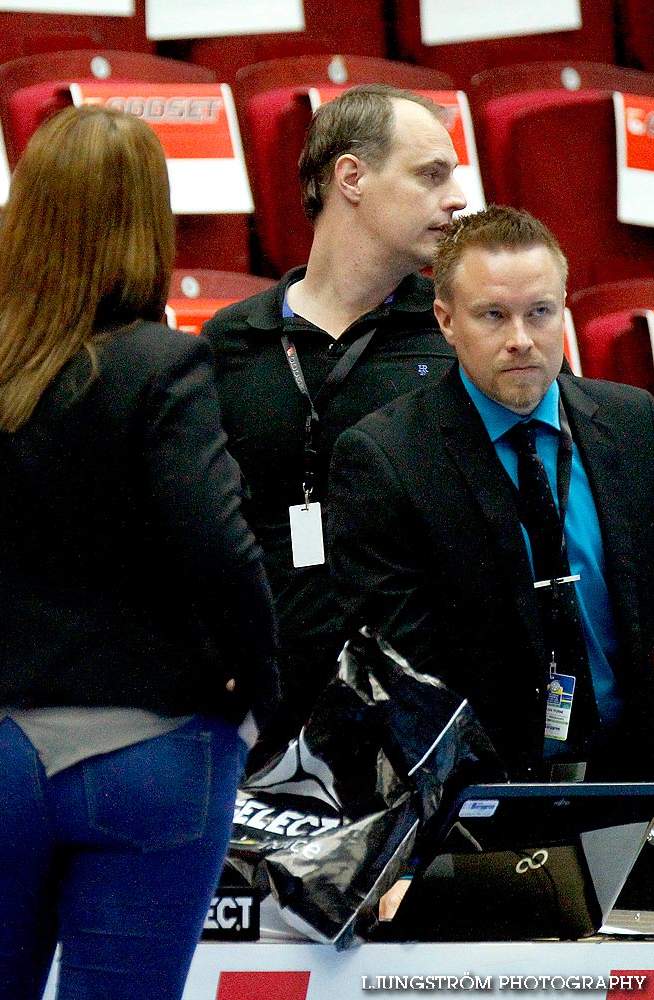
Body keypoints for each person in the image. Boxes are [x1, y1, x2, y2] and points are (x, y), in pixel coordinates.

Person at [0, 104, 279, 1000]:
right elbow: (224, 557)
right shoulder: (162, 365)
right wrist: (254, 698)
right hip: (156, 760)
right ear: (148, 223)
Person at [328, 206, 654, 785]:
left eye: (540, 313)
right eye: (493, 317)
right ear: (446, 321)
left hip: (631, 767)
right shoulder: (385, 459)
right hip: (484, 791)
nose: (521, 340)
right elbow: (407, 674)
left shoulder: (634, 424)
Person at [202, 84, 467, 752]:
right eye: (431, 175)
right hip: (259, 718)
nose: (457, 197)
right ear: (352, 177)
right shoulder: (231, 342)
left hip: (418, 716)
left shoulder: (458, 337)